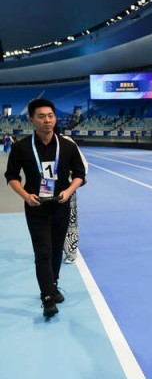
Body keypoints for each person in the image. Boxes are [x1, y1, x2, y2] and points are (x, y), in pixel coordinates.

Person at [4, 99, 86, 318]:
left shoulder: (67, 146)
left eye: (50, 116)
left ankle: (53, 285)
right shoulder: (21, 147)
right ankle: (47, 297)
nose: (47, 120)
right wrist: (25, 196)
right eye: (41, 116)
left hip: (61, 206)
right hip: (36, 207)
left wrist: (68, 191)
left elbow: (80, 174)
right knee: (43, 252)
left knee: (56, 250)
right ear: (31, 120)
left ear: (55, 118)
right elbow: (11, 176)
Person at [59, 127, 88, 264]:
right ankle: (53, 249)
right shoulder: (38, 142)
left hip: (67, 188)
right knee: (48, 222)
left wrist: (72, 176)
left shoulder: (66, 141)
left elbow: (83, 166)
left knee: (70, 222)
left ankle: (70, 252)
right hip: (46, 190)